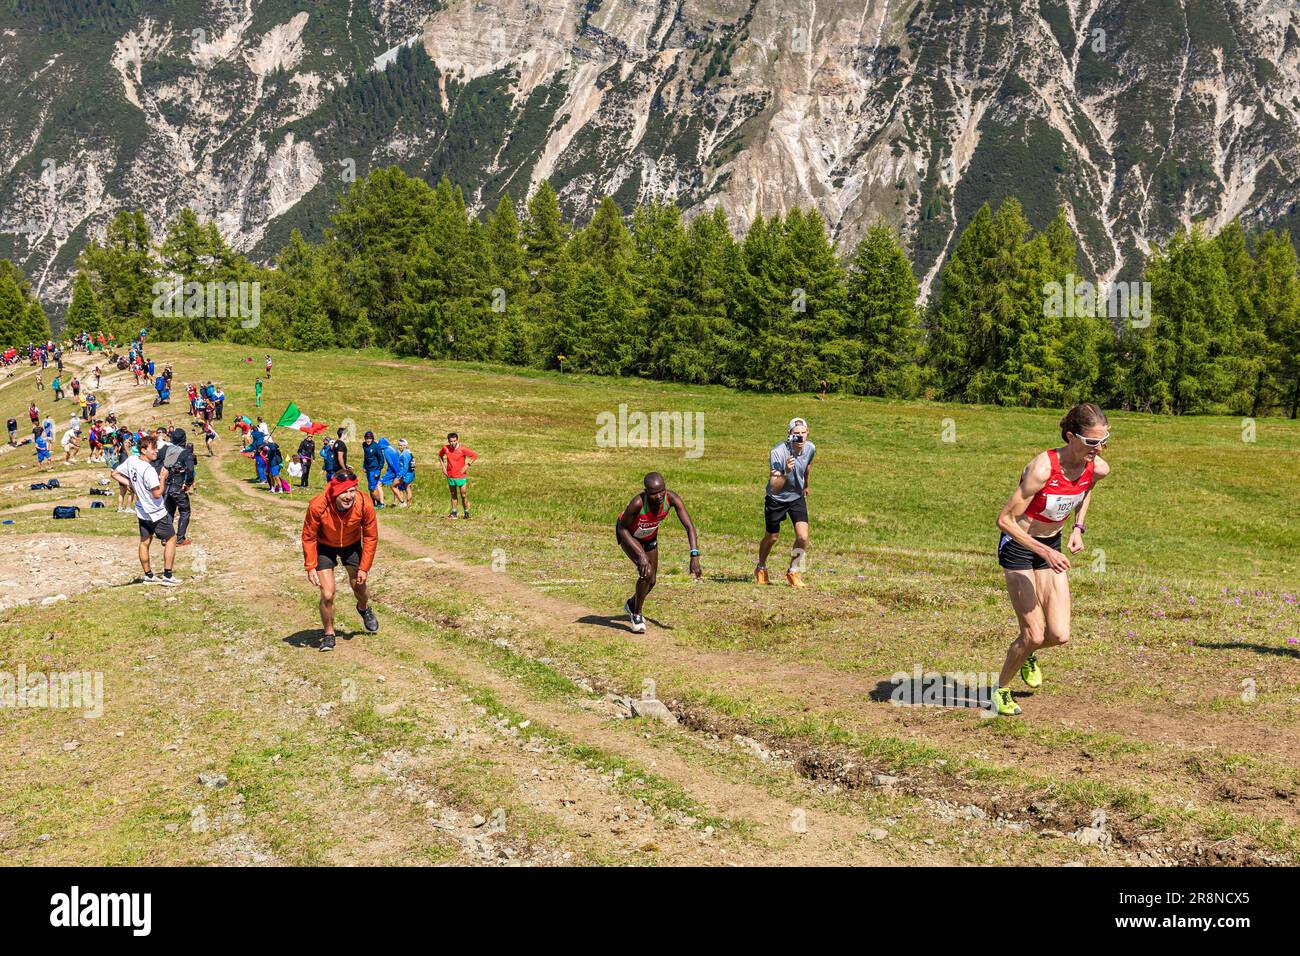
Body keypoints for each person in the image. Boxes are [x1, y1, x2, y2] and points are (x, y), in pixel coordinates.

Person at [991, 403, 1110, 717]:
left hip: (1051, 545)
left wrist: (1078, 528)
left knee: (1059, 635)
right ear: (1071, 436)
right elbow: (1004, 520)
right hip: (1019, 546)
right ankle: (1000, 690)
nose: (1098, 449)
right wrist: (1044, 551)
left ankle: (1028, 653)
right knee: (1034, 633)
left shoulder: (1096, 467)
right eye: (1091, 443)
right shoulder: (1042, 469)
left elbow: (1086, 490)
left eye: (1104, 441)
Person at [301, 468, 379, 651]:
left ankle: (364, 607)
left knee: (359, 586)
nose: (349, 496)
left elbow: (370, 537)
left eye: (352, 490)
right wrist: (310, 566)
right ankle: (329, 634)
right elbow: (308, 536)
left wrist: (364, 568)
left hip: (351, 545)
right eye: (344, 491)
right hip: (324, 546)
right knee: (327, 594)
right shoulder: (317, 506)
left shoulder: (364, 503)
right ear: (335, 491)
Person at [615, 472, 701, 633]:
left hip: (649, 537)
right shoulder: (637, 503)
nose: (659, 496)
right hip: (629, 536)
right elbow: (622, 528)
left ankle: (632, 603)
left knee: (652, 580)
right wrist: (640, 555)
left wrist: (694, 555)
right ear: (646, 492)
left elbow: (689, 526)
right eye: (654, 493)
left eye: (662, 491)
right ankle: (636, 614)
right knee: (646, 573)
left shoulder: (672, 499)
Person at [111, 434, 181, 586]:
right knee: (171, 538)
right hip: (155, 511)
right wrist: (162, 477)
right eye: (153, 448)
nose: (156, 451)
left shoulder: (132, 460)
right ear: (143, 450)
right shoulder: (149, 470)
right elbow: (157, 494)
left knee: (144, 541)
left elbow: (114, 473)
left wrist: (131, 485)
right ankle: (168, 575)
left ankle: (148, 575)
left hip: (141, 510)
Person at [756, 417, 814, 589]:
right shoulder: (778, 452)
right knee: (772, 537)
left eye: (803, 433)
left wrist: (806, 485)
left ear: (808, 433)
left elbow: (808, 466)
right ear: (789, 434)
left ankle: (793, 571)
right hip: (777, 499)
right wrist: (786, 472)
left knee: (803, 537)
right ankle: (761, 567)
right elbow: (774, 487)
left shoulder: (811, 447)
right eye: (796, 434)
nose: (801, 437)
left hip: (796, 496)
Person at [162, 428, 196, 546]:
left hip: (166, 485)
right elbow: (191, 471)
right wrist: (187, 484)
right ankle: (179, 538)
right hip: (177, 486)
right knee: (185, 511)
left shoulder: (166, 449)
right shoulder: (186, 453)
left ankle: (166, 537)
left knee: (169, 510)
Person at [438, 432, 478, 518]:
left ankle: (466, 513)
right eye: (450, 441)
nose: (452, 443)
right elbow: (440, 455)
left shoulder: (462, 449)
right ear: (448, 441)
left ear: (457, 440)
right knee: (453, 494)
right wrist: (443, 468)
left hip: (461, 476)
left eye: (454, 441)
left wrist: (467, 465)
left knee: (463, 495)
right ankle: (454, 512)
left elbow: (474, 456)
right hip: (450, 475)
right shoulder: (445, 448)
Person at [362, 432, 385, 507]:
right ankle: (373, 504)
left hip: (375, 470)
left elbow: (381, 459)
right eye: (367, 438)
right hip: (368, 470)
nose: (368, 440)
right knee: (370, 487)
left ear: (372, 438)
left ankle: (380, 503)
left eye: (370, 438)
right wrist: (364, 466)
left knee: (373, 488)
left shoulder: (376, 446)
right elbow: (366, 456)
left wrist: (378, 471)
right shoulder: (364, 445)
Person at [395, 438, 415, 506]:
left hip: (407, 474)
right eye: (399, 445)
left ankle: (407, 504)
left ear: (405, 446)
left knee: (407, 489)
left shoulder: (405, 454)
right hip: (411, 473)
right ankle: (409, 504)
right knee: (408, 488)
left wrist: (401, 475)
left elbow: (406, 466)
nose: (399, 447)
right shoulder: (409, 452)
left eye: (401, 445)